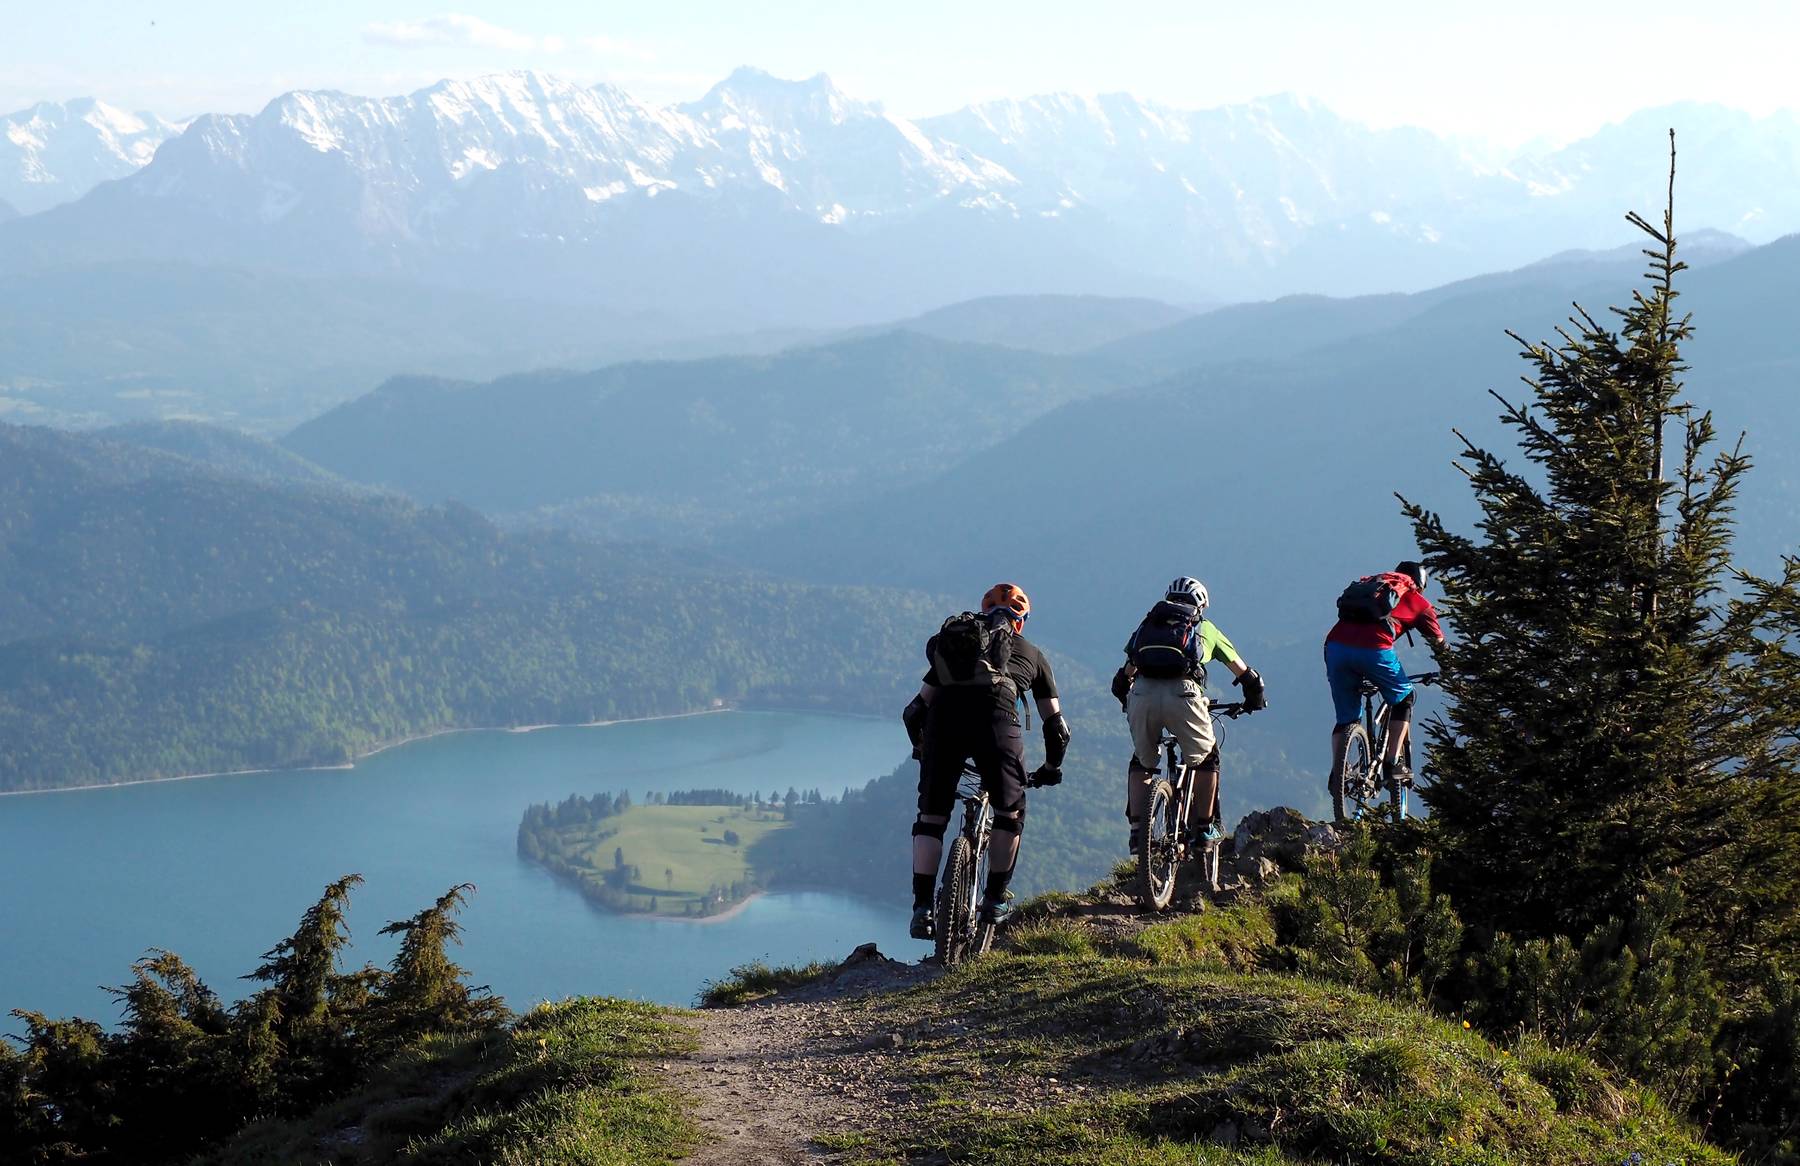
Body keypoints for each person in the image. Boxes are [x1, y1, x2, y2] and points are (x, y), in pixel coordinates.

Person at [902, 583, 1067, 939]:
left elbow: (913, 711)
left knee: (931, 819)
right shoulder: (1033, 655)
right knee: (1010, 814)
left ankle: (922, 908)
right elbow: (1056, 728)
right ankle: (994, 899)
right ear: (1020, 622)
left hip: (943, 724)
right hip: (996, 722)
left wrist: (923, 750)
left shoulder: (958, 651)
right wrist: (1052, 769)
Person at [1110, 577, 1266, 852]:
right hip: (1184, 696)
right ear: (1201, 605)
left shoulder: (1148, 625)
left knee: (1142, 762)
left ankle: (1137, 833)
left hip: (1142, 694)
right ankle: (1205, 829)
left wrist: (1128, 700)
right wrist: (1253, 700)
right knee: (1207, 758)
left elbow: (1123, 677)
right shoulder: (1205, 628)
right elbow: (1246, 674)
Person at [1324, 559, 1447, 788]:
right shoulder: (1418, 601)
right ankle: (1392, 763)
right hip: (1374, 650)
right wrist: (1448, 667)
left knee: (1346, 718)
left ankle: (1339, 774)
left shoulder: (1375, 588)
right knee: (1405, 698)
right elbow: (1439, 644)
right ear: (1419, 585)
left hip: (1335, 647)